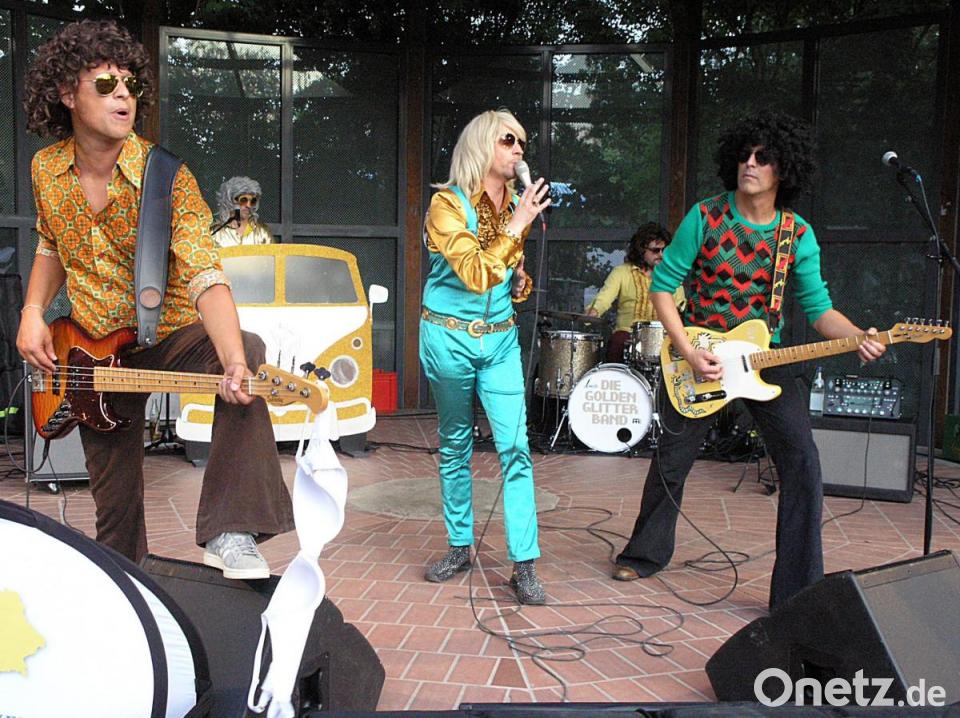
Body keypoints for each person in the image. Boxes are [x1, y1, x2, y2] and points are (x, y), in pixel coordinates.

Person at [17, 20, 294, 579]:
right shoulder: (46, 169)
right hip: (90, 357)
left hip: (166, 338)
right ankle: (130, 601)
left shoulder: (167, 178)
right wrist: (32, 312)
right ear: (67, 93)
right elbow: (50, 245)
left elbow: (205, 274)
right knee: (115, 524)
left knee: (244, 348)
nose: (123, 95)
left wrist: (233, 361)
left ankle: (231, 529)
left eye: (131, 85)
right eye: (105, 85)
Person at [612, 110, 886, 610]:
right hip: (700, 353)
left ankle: (797, 589)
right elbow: (663, 287)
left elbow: (820, 310)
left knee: (802, 462)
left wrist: (858, 337)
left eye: (763, 157)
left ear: (784, 169)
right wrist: (688, 350)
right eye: (745, 155)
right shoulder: (705, 216)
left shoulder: (796, 235)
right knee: (672, 460)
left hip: (764, 358)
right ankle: (645, 553)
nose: (751, 164)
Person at [420, 109, 551, 604]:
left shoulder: (516, 203)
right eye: (508, 140)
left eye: (521, 143)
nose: (519, 150)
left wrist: (519, 281)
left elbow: (507, 273)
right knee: (455, 443)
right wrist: (518, 224)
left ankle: (525, 563)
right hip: (449, 336)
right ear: (481, 145)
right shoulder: (446, 205)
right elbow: (475, 273)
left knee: (515, 446)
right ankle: (459, 546)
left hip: (499, 340)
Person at [586, 222, 685, 363]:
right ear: (641, 250)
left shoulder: (672, 277)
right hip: (627, 337)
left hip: (662, 339)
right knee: (618, 341)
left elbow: (680, 308)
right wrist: (594, 311)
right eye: (656, 250)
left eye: (665, 250)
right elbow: (604, 298)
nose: (661, 255)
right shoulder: (622, 272)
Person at [211, 176, 274, 247]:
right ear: (230, 200)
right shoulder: (215, 234)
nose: (248, 205)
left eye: (252, 201)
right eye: (243, 200)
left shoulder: (262, 232)